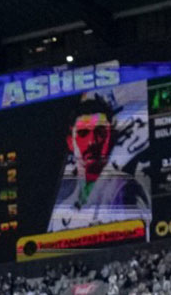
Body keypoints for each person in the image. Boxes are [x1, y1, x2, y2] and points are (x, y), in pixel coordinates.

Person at [45, 92, 151, 235]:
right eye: (83, 133)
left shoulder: (122, 190)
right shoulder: (60, 210)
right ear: (70, 141)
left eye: (100, 132)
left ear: (111, 135)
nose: (91, 142)